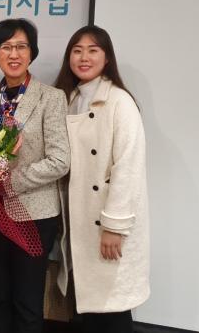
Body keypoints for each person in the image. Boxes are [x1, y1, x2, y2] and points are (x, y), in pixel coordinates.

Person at [54, 25, 150, 333]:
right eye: (77, 51)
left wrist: (114, 226)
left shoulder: (120, 101)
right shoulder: (71, 99)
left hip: (106, 222)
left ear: (107, 58)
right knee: (92, 308)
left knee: (113, 307)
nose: (84, 57)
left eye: (93, 50)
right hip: (81, 217)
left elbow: (128, 168)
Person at [0, 18, 70, 333]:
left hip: (36, 213)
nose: (14, 53)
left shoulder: (51, 97)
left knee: (28, 299)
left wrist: (11, 182)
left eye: (21, 46)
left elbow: (60, 161)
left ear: (32, 52)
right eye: (6, 47)